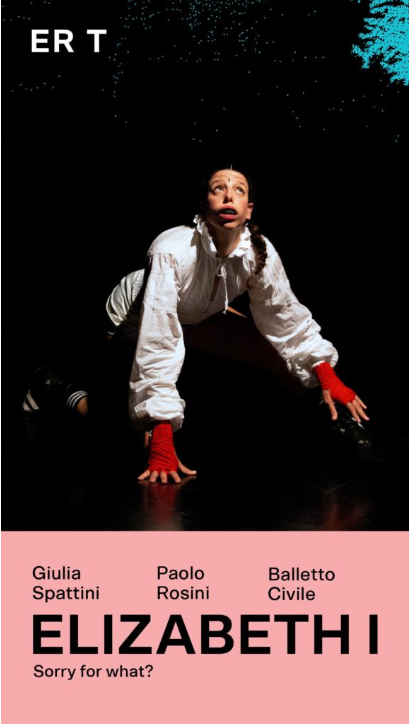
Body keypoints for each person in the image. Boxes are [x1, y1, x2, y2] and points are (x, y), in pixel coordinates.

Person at [101, 167, 371, 483]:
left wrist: (327, 374)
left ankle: (334, 417)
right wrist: (161, 432)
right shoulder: (170, 250)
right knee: (128, 436)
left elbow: (284, 316)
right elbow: (158, 339)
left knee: (271, 352)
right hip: (132, 319)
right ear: (203, 205)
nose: (229, 196)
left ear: (249, 209)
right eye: (218, 188)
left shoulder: (258, 250)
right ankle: (63, 391)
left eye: (239, 190)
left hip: (195, 313)